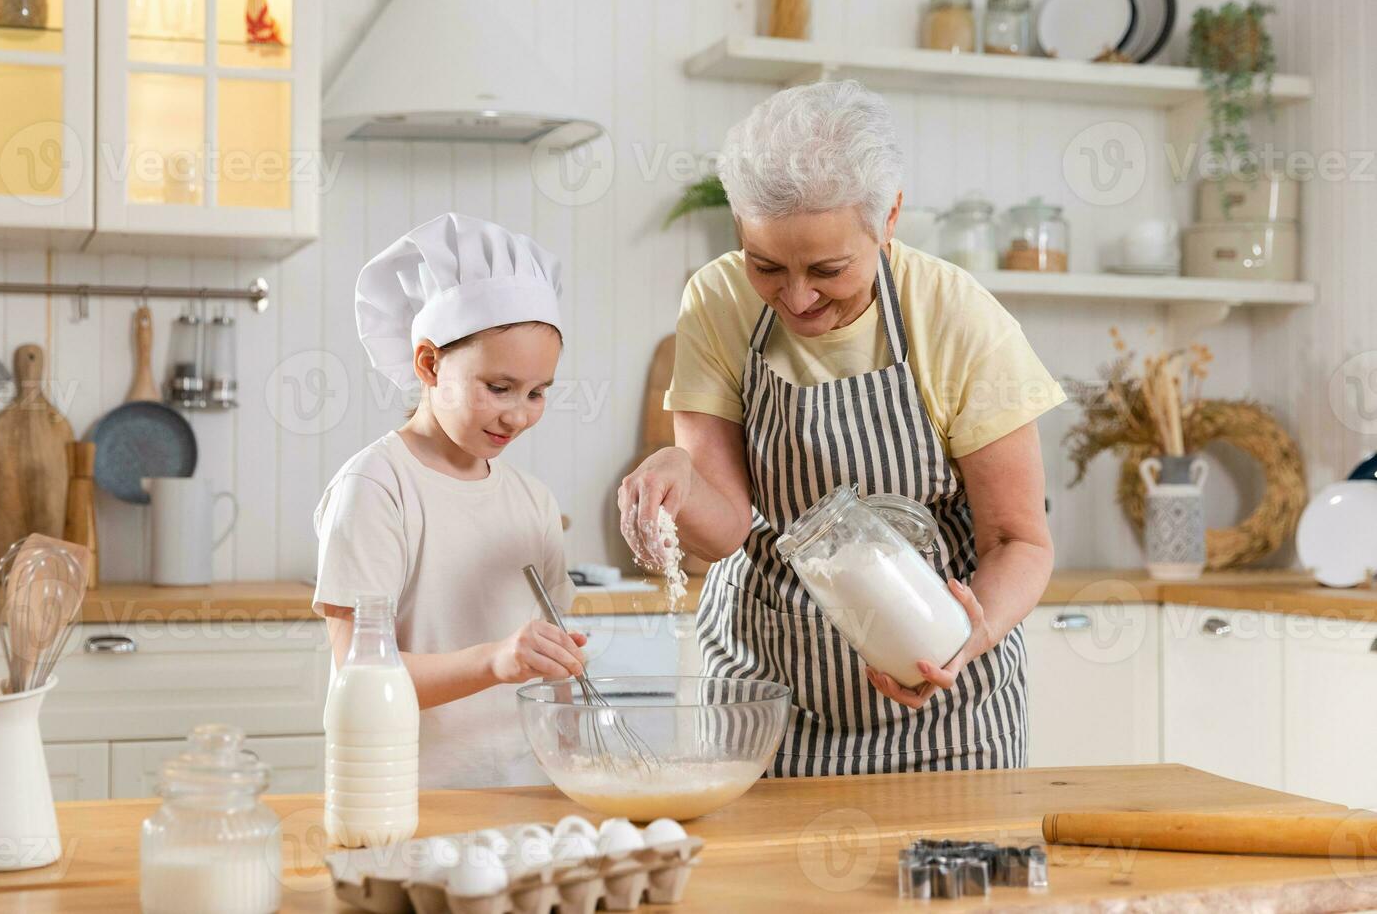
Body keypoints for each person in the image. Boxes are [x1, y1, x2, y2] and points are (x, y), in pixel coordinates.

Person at [618, 80, 1065, 776]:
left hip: (947, 713)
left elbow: (1018, 540)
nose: (797, 298)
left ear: (889, 219)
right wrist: (678, 477)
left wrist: (969, 636)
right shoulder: (718, 299)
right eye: (766, 265)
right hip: (766, 702)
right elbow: (726, 528)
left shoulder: (955, 316)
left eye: (829, 270)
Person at [313, 213, 585, 788]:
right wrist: (495, 661)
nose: (518, 414)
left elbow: (558, 674)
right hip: (404, 795)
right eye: (499, 387)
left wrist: (579, 758)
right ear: (429, 364)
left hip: (525, 793)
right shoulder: (377, 487)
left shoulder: (533, 502)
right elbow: (359, 675)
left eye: (538, 393)